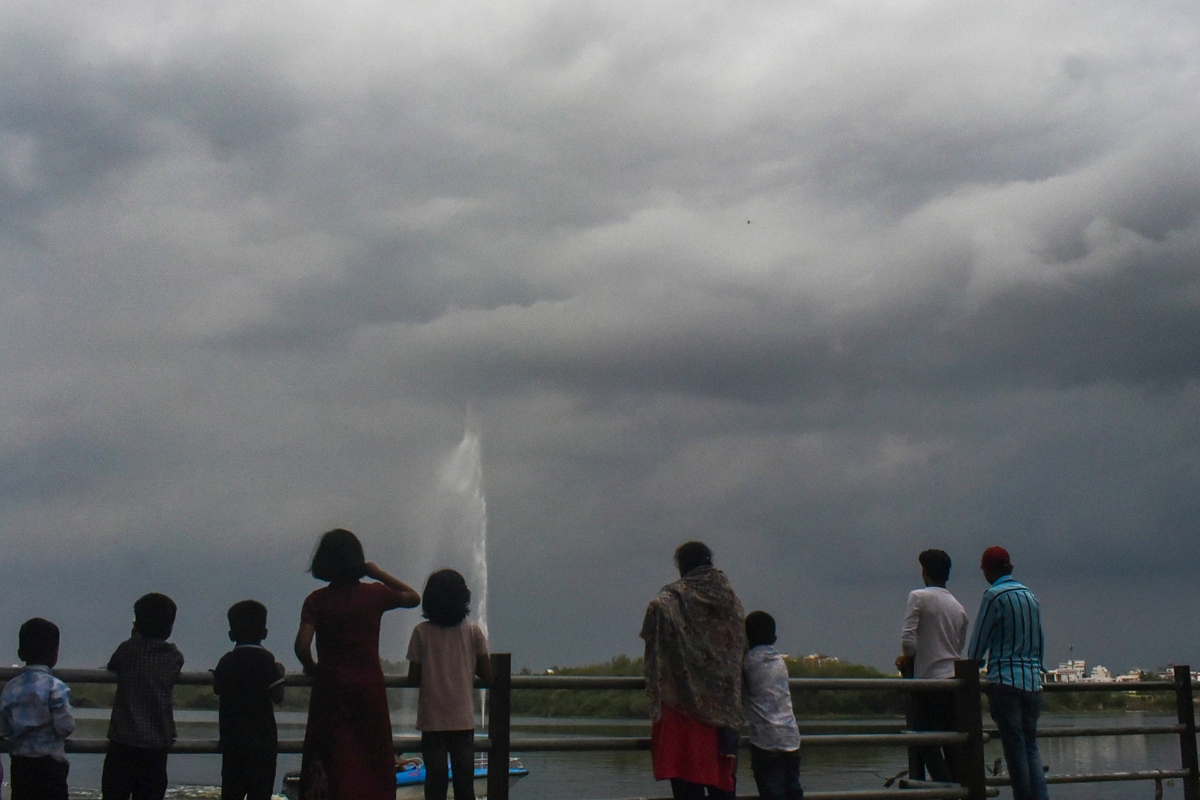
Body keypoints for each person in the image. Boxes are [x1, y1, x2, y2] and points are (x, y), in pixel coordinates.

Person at [294, 528, 421, 800]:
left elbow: (301, 646)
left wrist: (313, 668)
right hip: (368, 688)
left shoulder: (316, 601)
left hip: (331, 689)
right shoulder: (375, 595)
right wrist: (377, 573)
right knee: (372, 758)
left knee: (333, 757)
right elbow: (413, 597)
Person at [641, 541, 747, 800]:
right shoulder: (730, 598)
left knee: (687, 783)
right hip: (725, 709)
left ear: (682, 566)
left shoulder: (668, 601)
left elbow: (654, 623)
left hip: (683, 704)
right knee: (722, 784)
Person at [967, 546, 1048, 800]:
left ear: (988, 571)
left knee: (1015, 751)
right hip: (1033, 683)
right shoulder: (1030, 596)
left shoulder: (994, 596)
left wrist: (973, 666)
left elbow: (979, 643)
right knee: (1031, 746)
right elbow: (1040, 641)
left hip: (1005, 681)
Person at [405, 569, 493, 800]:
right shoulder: (473, 631)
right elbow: (488, 674)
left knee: (435, 781)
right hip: (462, 721)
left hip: (432, 721)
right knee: (465, 783)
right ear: (463, 598)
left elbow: (413, 677)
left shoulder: (421, 633)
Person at [103, 592, 185, 800]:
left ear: (137, 624)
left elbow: (114, 664)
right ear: (169, 627)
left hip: (123, 742)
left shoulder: (127, 650)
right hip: (156, 744)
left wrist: (135, 637)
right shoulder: (173, 656)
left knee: (114, 794)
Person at [895, 549, 968, 783]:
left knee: (924, 742)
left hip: (928, 682)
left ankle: (945, 790)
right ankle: (956, 789)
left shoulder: (918, 597)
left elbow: (907, 641)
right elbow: (958, 646)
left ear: (925, 572)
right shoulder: (958, 608)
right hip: (953, 683)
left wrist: (909, 657)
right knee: (951, 744)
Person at [213, 600, 287, 800]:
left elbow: (217, 687)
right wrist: (280, 672)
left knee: (231, 793)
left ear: (231, 635)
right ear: (264, 633)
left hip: (232, 744)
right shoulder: (265, 660)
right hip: (262, 746)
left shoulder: (226, 661)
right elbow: (277, 695)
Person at [0, 618, 75, 800]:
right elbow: (65, 727)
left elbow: (4, 727)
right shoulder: (55, 687)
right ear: (55, 654)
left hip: (20, 763)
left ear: (21, 653)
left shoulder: (11, 687)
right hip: (51, 765)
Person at [743, 611, 804, 800]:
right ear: (774, 638)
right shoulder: (780, 661)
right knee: (793, 788)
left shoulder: (748, 662)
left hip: (765, 741)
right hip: (790, 737)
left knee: (772, 792)